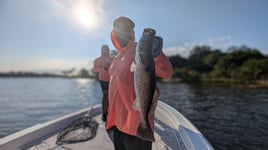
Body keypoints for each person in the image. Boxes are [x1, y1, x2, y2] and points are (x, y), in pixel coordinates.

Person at [106, 16, 173, 150]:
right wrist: (109, 121)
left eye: (126, 28)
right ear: (113, 33)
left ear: (132, 33)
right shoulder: (115, 59)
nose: (123, 31)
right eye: (119, 28)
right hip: (116, 125)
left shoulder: (139, 49)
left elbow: (167, 72)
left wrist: (156, 54)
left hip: (136, 127)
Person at [93, 45, 113, 122]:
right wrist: (103, 68)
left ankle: (109, 112)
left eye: (106, 49)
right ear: (102, 50)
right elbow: (95, 69)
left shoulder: (112, 59)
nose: (105, 51)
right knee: (105, 95)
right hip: (103, 79)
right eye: (103, 49)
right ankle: (104, 113)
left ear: (108, 50)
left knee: (111, 96)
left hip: (112, 80)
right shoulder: (98, 60)